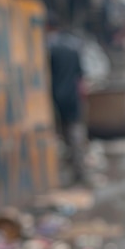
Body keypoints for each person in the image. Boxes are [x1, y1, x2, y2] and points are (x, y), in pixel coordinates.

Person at [46, 13, 87, 185]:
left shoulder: (48, 47)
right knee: (75, 133)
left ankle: (59, 174)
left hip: (54, 97)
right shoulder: (73, 46)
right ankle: (79, 170)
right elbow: (81, 74)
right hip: (72, 96)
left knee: (58, 135)